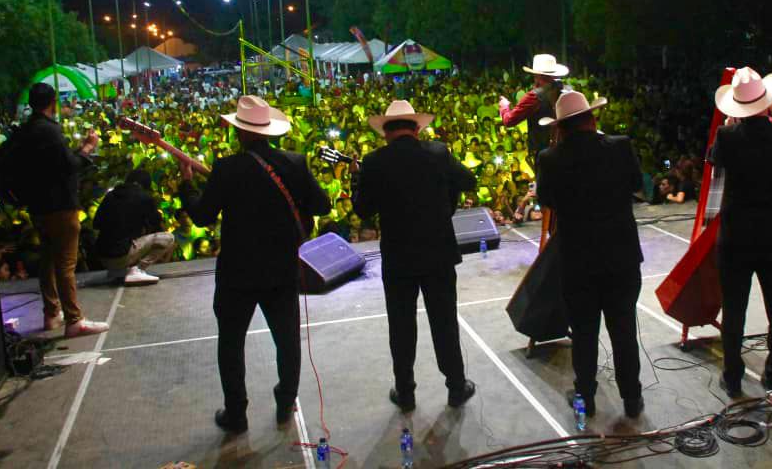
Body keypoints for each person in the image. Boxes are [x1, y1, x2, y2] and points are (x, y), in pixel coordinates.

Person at [178, 95, 330, 433]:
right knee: (287, 340)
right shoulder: (295, 163)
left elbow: (202, 216)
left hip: (237, 273)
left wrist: (187, 184)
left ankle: (236, 413)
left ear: (240, 133)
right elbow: (322, 205)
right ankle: (285, 403)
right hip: (280, 270)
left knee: (231, 344)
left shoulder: (226, 168)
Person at [351, 100, 478, 412]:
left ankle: (406, 393)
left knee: (401, 325)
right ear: (417, 129)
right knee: (444, 322)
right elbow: (469, 182)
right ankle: (456, 386)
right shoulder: (437, 152)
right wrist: (447, 200)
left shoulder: (374, 161)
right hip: (438, 253)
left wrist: (358, 178)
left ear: (385, 133)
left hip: (398, 256)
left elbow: (363, 210)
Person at [535, 90, 645, 419]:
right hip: (621, 256)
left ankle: (586, 395)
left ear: (560, 127)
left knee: (584, 333)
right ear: (592, 119)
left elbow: (547, 201)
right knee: (623, 329)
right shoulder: (620, 146)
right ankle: (632, 398)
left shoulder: (550, 158)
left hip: (577, 261)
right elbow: (637, 185)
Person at [709, 67, 772, 396]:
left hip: (736, 237)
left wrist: (727, 126)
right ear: (765, 102)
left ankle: (733, 376)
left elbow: (713, 161)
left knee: (734, 308)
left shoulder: (727, 137)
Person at [23, 83, 109, 337]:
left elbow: (54, 165)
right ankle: (74, 320)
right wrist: (88, 148)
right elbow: (69, 166)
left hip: (38, 206)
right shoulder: (50, 131)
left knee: (48, 258)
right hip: (60, 206)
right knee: (65, 263)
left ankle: (51, 314)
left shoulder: (28, 130)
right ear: (53, 103)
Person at [94, 167, 174, 285]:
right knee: (168, 238)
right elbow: (157, 224)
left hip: (102, 256)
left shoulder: (110, 196)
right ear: (145, 185)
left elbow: (96, 223)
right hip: (121, 256)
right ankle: (136, 270)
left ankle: (118, 271)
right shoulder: (144, 197)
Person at [498, 54, 568, 159]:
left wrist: (504, 106)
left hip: (544, 153)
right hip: (566, 149)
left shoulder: (534, 96)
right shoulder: (566, 90)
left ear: (536, 75)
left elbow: (509, 121)